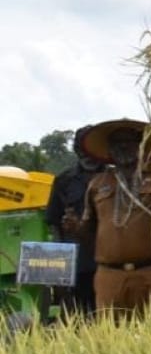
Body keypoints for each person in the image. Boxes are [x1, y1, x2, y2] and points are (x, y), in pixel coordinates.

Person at [76, 117, 151, 319]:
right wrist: (74, 227)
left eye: (129, 142)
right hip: (110, 276)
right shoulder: (97, 184)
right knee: (112, 339)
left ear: (141, 146)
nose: (124, 147)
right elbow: (88, 231)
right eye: (117, 143)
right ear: (109, 150)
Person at [42, 125, 99, 317]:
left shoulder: (114, 177)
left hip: (108, 260)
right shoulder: (64, 180)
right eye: (83, 148)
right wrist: (60, 272)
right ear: (76, 149)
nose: (88, 154)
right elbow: (54, 222)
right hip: (78, 263)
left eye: (92, 148)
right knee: (77, 315)